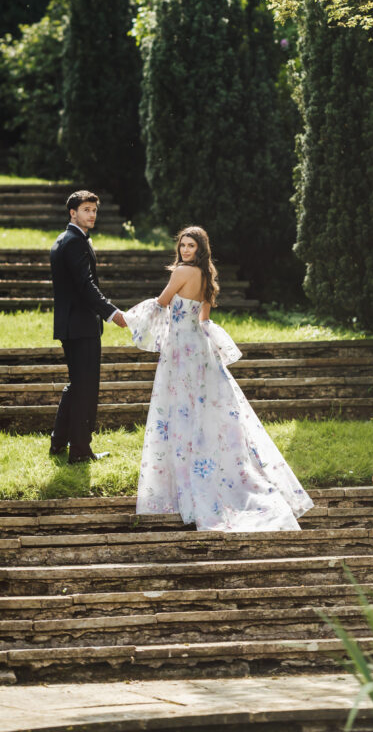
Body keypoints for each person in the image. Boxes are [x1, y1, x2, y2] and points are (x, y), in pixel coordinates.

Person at [124, 226, 313, 531]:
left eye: (191, 246)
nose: (185, 251)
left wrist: (128, 318)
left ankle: (187, 486)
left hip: (182, 352)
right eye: (183, 245)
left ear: (200, 249)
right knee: (205, 412)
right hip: (201, 350)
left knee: (181, 412)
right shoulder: (207, 276)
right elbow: (205, 320)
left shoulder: (182, 272)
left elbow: (161, 304)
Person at [50, 189, 126, 464]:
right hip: (81, 327)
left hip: (71, 326)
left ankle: (58, 442)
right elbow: (85, 286)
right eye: (86, 210)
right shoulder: (74, 242)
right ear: (73, 212)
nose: (92, 215)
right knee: (86, 389)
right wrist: (111, 312)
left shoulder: (64, 240)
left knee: (76, 386)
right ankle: (80, 451)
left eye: (94, 210)